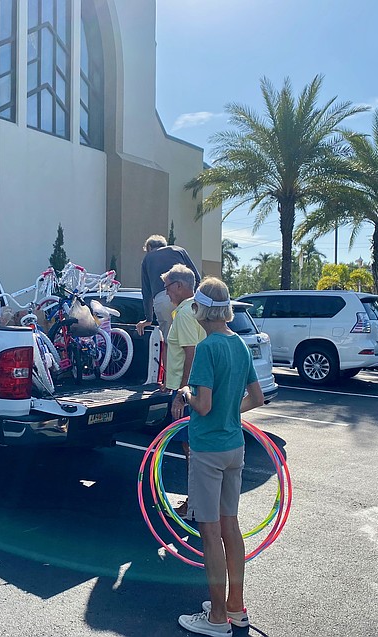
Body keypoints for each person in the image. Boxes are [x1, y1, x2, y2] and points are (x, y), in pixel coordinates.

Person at [175, 277, 265, 637]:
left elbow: (204, 403)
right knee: (231, 526)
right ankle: (235, 609)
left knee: (209, 533)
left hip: (208, 451)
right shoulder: (240, 345)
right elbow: (257, 398)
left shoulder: (208, 348)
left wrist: (184, 393)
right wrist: (231, 413)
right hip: (234, 448)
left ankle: (216, 619)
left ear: (200, 309)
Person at [161, 264, 205, 516]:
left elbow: (192, 353)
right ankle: (198, 505)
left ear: (179, 286)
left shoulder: (187, 313)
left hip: (189, 392)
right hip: (192, 389)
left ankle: (194, 506)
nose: (166, 293)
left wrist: (180, 393)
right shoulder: (191, 311)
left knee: (192, 451)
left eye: (167, 287)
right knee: (193, 450)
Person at [135, 234, 200, 341]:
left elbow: (146, 293)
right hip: (187, 298)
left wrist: (148, 318)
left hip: (163, 300)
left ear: (149, 247)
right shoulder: (179, 250)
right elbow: (196, 277)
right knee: (190, 337)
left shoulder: (148, 257)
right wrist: (194, 298)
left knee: (169, 340)